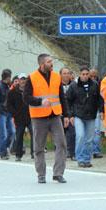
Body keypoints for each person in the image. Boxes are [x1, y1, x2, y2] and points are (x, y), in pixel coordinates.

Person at [24, 53, 70, 184]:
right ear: (42, 64)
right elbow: (26, 98)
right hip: (39, 117)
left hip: (55, 116)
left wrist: (66, 115)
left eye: (52, 61)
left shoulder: (56, 76)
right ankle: (41, 174)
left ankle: (58, 173)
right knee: (39, 147)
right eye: (49, 61)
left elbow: (62, 97)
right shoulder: (32, 78)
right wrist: (40, 101)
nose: (52, 64)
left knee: (61, 144)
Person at [67, 66, 103, 168]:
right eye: (83, 74)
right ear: (80, 74)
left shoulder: (95, 85)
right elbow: (68, 101)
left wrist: (101, 111)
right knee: (80, 136)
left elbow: (100, 99)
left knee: (89, 139)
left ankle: (87, 159)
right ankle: (80, 158)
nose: (85, 76)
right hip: (78, 115)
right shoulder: (74, 86)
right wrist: (70, 115)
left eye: (87, 74)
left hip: (91, 115)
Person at [7, 74, 33, 161]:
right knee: (19, 136)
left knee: (34, 134)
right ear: (18, 80)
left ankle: (34, 153)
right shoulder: (12, 92)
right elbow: (8, 105)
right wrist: (15, 114)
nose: (23, 81)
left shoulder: (30, 90)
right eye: (21, 79)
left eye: (24, 79)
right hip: (19, 118)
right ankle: (18, 154)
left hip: (30, 116)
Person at [0, 69, 15, 160]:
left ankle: (6, 147)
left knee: (12, 132)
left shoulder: (7, 87)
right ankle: (3, 153)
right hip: (0, 113)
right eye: (10, 77)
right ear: (8, 77)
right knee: (3, 133)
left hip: (7, 113)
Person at [60, 67, 76, 160]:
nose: (66, 75)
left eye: (68, 73)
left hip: (71, 112)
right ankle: (62, 151)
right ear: (60, 75)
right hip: (60, 112)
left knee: (72, 132)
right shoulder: (57, 85)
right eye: (64, 73)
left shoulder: (74, 85)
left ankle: (71, 152)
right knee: (61, 134)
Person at [89, 68, 104, 159]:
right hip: (85, 111)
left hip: (97, 110)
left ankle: (96, 151)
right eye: (91, 76)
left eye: (95, 76)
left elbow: (101, 99)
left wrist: (102, 110)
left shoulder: (100, 84)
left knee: (97, 131)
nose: (93, 78)